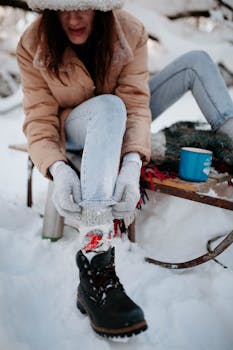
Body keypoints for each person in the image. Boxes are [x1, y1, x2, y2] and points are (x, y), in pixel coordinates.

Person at [17, 0, 233, 339]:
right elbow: (40, 120)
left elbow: (135, 102)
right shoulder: (34, 44)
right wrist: (58, 168)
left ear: (101, 8)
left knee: (196, 63)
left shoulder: (129, 31)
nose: (73, 17)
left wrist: (132, 162)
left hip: (123, 118)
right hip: (76, 130)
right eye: (64, 8)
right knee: (109, 107)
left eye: (83, 6)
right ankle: (96, 262)